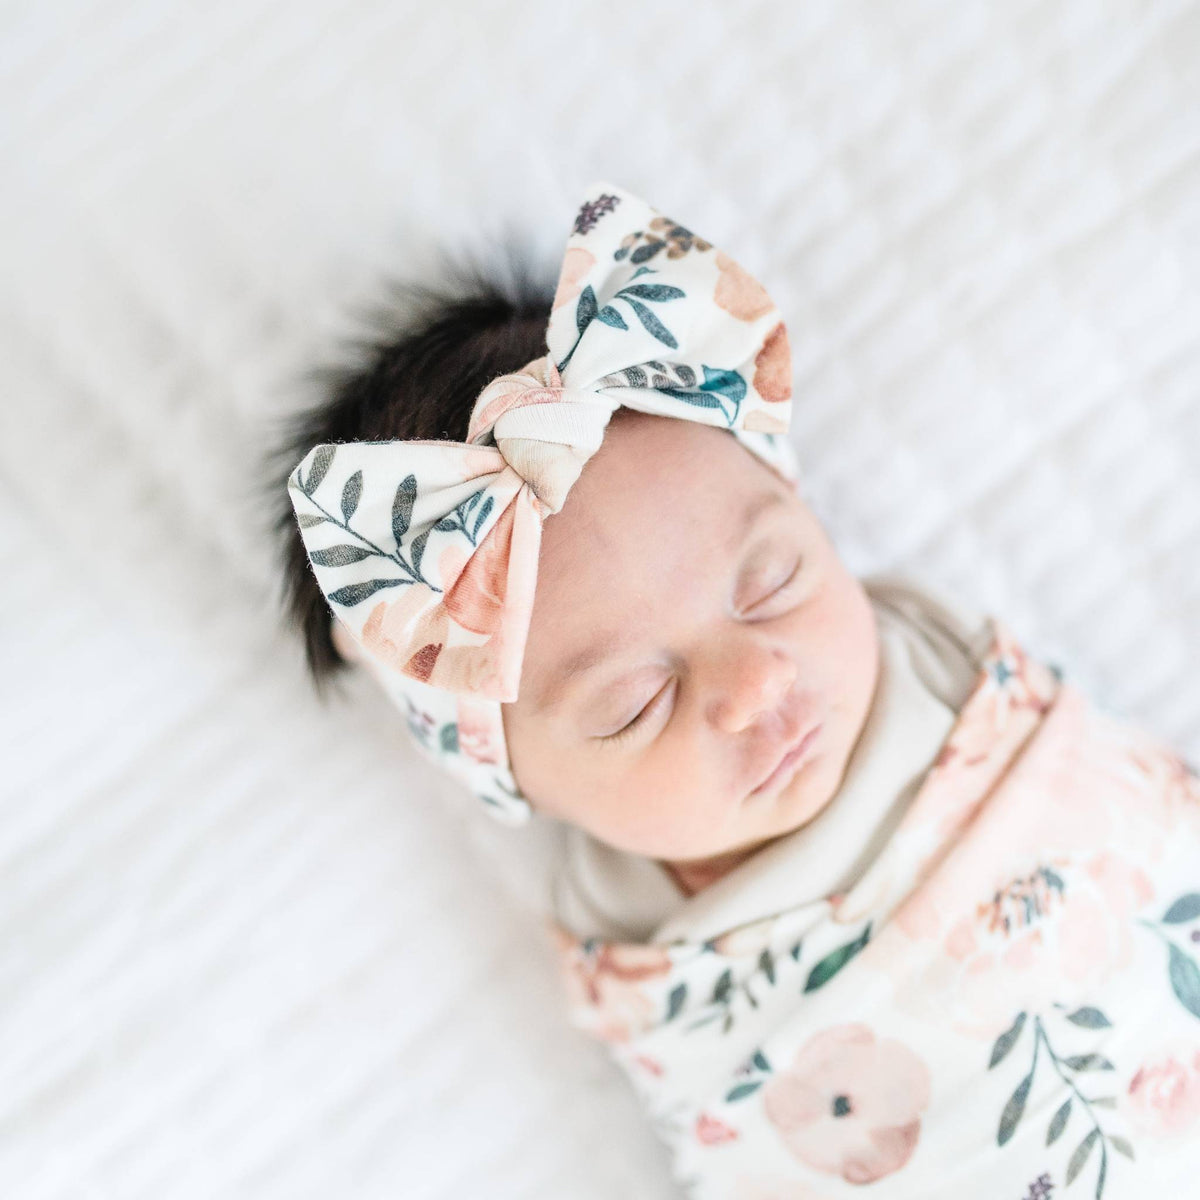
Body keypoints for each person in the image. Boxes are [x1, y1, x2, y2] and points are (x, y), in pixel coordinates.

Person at [267, 181, 1200, 1199]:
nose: (757, 683)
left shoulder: (943, 667)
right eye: (633, 705)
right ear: (511, 780)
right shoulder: (642, 965)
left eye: (773, 582)